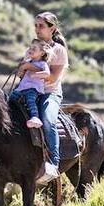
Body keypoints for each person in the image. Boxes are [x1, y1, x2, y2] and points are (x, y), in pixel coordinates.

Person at [31, 12, 69, 184]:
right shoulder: (34, 47)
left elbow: (52, 78)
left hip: (50, 93)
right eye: (36, 26)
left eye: (41, 26)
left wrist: (29, 67)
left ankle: (53, 163)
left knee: (47, 119)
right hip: (31, 91)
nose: (37, 29)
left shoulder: (59, 50)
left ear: (52, 28)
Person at [8, 40, 53, 129]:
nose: (30, 50)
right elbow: (19, 75)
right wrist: (21, 68)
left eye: (34, 48)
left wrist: (36, 75)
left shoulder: (42, 64)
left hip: (33, 88)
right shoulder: (28, 62)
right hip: (22, 87)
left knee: (31, 100)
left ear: (42, 53)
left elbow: (47, 74)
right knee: (11, 98)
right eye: (30, 48)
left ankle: (35, 117)